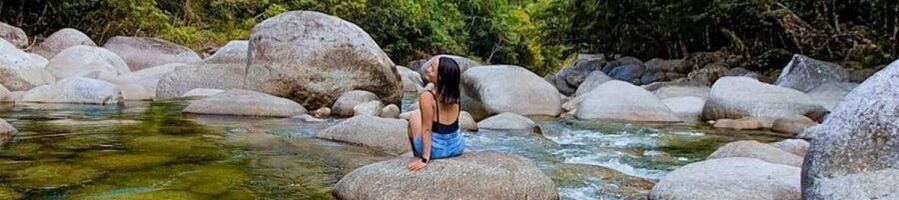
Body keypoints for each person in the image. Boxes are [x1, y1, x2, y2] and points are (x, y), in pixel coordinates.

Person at [406, 56, 465, 171]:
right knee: (419, 115)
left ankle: (417, 155)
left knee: (413, 117)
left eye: (432, 69)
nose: (427, 69)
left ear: (441, 77)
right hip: (457, 147)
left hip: (436, 151)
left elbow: (427, 129)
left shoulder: (427, 96)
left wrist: (424, 159)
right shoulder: (455, 94)